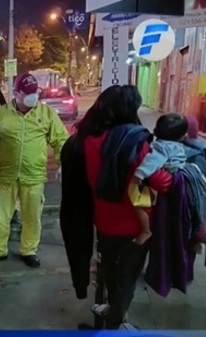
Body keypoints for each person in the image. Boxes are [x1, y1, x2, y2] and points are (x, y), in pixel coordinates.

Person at [60, 85, 172, 329]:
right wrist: (167, 178)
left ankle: (110, 313)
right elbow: (158, 180)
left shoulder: (87, 140)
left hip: (105, 221)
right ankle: (116, 322)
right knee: (127, 277)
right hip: (137, 224)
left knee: (110, 271)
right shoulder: (136, 141)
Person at [0, 73, 69, 268]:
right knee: (2, 216)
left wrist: (63, 163)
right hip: (6, 174)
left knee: (32, 217)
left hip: (34, 175)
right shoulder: (2, 114)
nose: (32, 97)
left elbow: (61, 140)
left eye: (34, 92)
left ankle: (29, 250)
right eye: (27, 93)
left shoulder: (46, 114)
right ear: (16, 93)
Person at [130, 113, 188, 245]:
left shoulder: (162, 147)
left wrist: (138, 175)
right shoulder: (176, 145)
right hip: (176, 175)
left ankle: (146, 230)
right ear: (182, 136)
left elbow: (152, 161)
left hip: (167, 174)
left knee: (136, 201)